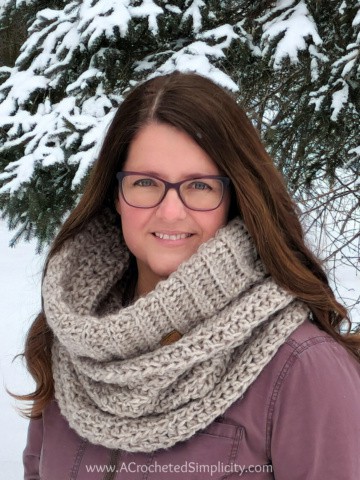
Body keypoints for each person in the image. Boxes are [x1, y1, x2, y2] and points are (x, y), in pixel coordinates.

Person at [18, 71, 360, 480]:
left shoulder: (301, 366)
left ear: (235, 196)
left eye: (199, 185)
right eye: (145, 182)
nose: (170, 211)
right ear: (116, 193)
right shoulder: (72, 342)